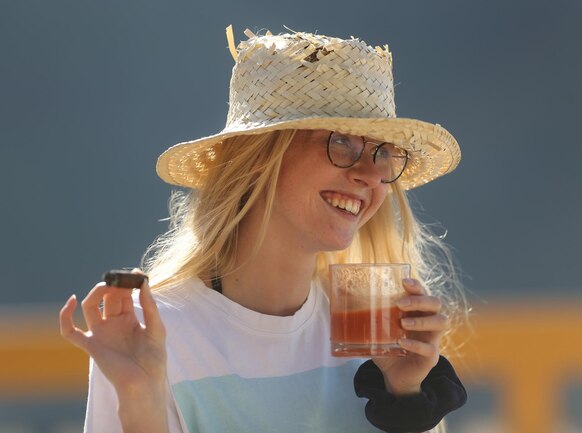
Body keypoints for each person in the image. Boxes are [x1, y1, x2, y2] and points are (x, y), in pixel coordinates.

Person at [59, 25, 468, 433]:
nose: (370, 175)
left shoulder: (375, 332)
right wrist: (138, 397)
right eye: (341, 141)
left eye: (382, 153)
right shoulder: (152, 335)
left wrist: (406, 396)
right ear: (260, 155)